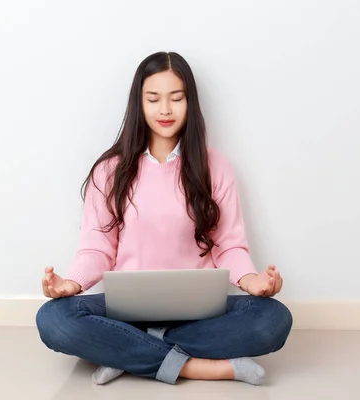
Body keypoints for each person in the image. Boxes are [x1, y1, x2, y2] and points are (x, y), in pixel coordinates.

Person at [36, 51, 292, 386]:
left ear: (190, 103)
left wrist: (251, 281)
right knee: (54, 319)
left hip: (198, 313)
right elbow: (97, 248)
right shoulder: (110, 169)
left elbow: (228, 246)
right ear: (138, 104)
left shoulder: (215, 167)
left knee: (273, 319)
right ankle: (200, 367)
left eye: (176, 98)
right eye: (153, 99)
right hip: (126, 313)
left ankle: (126, 353)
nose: (165, 110)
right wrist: (72, 284)